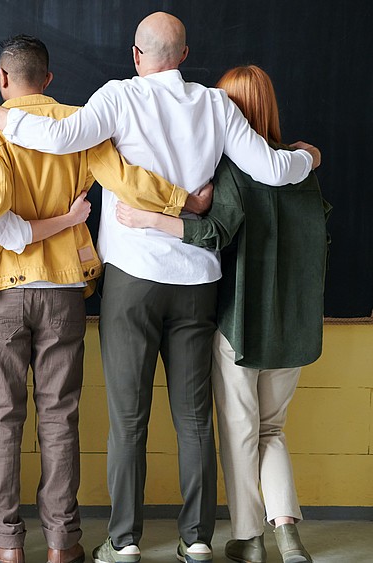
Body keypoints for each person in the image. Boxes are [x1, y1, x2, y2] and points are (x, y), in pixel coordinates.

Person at [0, 13, 320, 563]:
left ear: (136, 55)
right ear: (183, 55)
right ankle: (197, 538)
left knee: (129, 416)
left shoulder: (119, 98)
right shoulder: (216, 105)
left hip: (132, 279)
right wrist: (309, 157)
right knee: (194, 415)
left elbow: (58, 135)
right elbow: (273, 169)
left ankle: (123, 539)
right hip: (198, 280)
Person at [0, 35, 202, 563]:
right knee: (61, 417)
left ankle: (4, 543)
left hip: (3, 290)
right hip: (64, 286)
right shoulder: (80, 122)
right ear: (49, 80)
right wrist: (181, 200)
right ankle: (63, 543)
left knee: (1, 417)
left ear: (3, 80)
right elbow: (123, 180)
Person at [114, 65, 327, 563]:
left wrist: (153, 219)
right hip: (293, 329)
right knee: (273, 431)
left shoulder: (232, 171)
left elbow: (215, 234)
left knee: (238, 431)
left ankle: (250, 539)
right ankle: (289, 536)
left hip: (239, 326)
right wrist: (310, 153)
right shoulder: (302, 171)